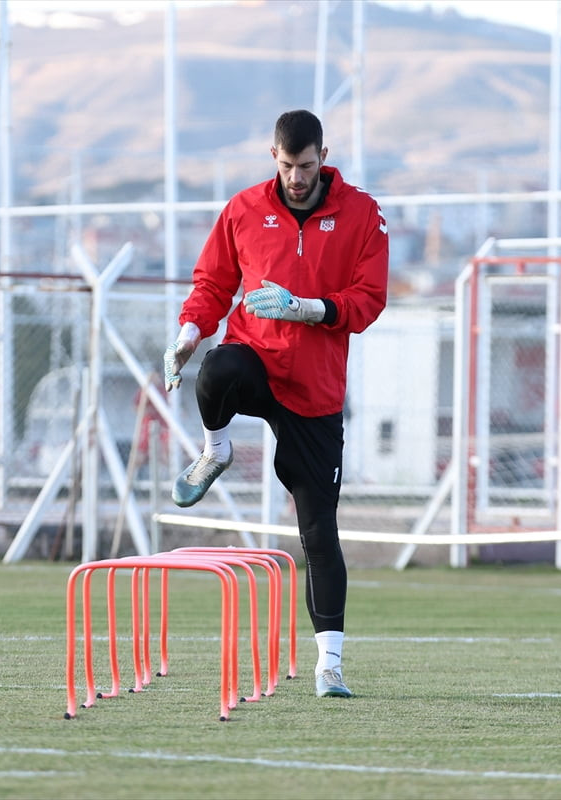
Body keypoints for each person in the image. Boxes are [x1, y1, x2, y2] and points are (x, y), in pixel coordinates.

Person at [162, 109, 388, 699]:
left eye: (306, 166)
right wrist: (188, 333)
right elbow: (212, 284)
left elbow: (370, 299)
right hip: (258, 360)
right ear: (274, 157)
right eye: (286, 166)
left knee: (318, 531)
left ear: (324, 157)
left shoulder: (363, 214)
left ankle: (329, 665)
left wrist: (311, 308)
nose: (296, 177)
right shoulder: (242, 209)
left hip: (314, 388)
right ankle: (214, 451)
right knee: (218, 369)